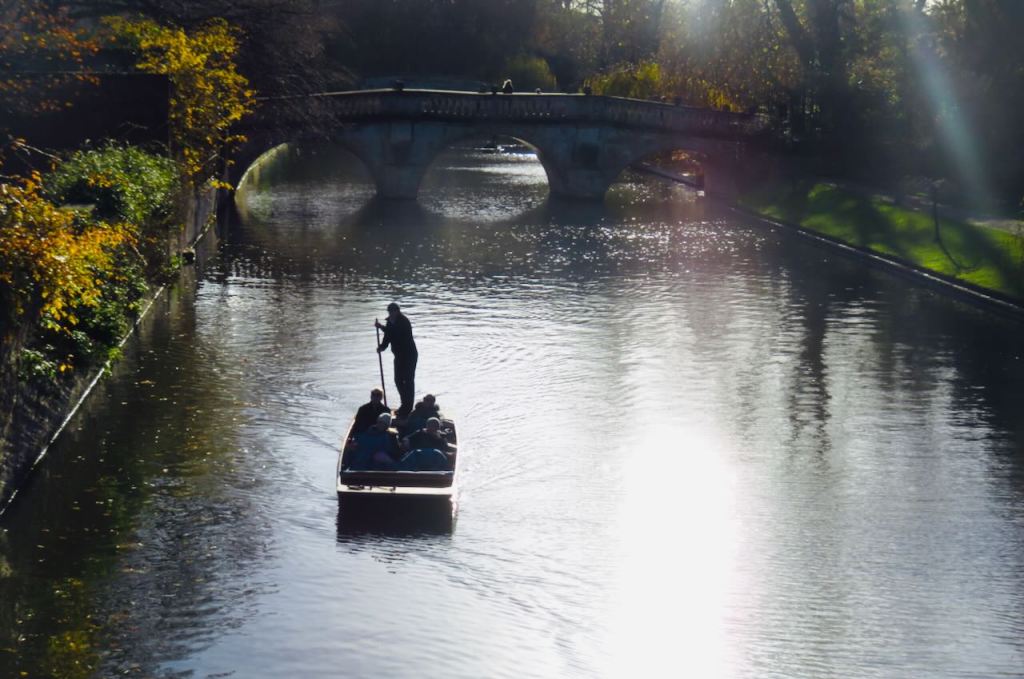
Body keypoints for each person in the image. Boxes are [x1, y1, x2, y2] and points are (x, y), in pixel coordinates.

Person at [375, 302, 418, 418]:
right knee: (398, 380)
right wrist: (382, 347)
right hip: (398, 356)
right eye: (390, 312)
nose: (391, 314)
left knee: (408, 381)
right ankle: (404, 404)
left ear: (398, 311)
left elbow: (396, 333)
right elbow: (388, 337)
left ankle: (407, 408)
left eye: (393, 311)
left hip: (409, 355)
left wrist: (381, 327)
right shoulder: (390, 322)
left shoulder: (404, 321)